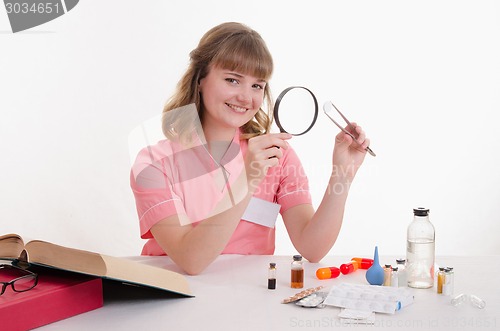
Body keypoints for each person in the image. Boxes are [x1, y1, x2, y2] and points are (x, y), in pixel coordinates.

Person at [130, 22, 371, 275]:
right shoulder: (153, 163)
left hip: (251, 300)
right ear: (200, 78)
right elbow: (192, 261)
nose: (246, 97)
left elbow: (312, 248)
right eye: (233, 80)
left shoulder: (278, 156)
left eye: (257, 85)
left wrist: (342, 174)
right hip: (173, 299)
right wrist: (248, 177)